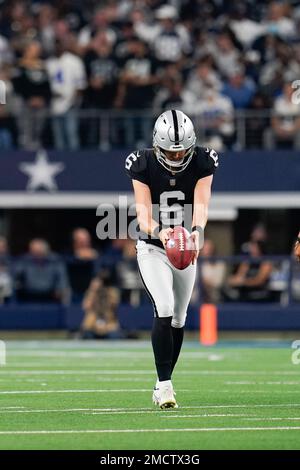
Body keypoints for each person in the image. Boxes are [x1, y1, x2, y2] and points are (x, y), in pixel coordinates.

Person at [125, 109, 218, 409]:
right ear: (156, 145)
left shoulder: (204, 160)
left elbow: (201, 204)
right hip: (153, 246)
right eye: (170, 153)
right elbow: (142, 216)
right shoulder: (141, 163)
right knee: (163, 309)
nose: (176, 159)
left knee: (180, 318)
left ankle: (161, 380)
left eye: (181, 153)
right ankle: (165, 386)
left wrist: (197, 232)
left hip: (185, 246)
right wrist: (163, 233)